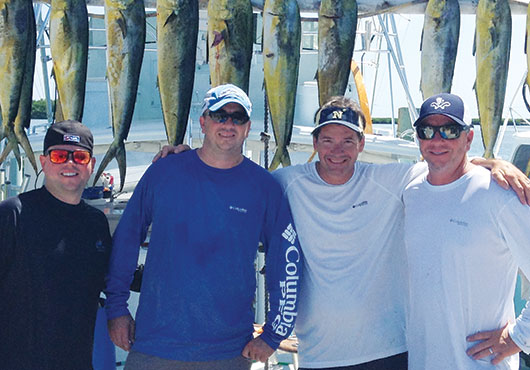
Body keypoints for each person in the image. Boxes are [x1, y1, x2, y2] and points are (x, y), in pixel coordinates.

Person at [105, 84, 302, 369]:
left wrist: (274, 335)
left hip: (230, 352)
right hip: (154, 345)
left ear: (248, 127)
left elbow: (286, 262)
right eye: (220, 115)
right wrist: (117, 308)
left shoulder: (265, 187)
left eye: (237, 117)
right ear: (203, 123)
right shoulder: (163, 171)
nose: (228, 124)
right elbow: (126, 240)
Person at [403, 92, 530, 369]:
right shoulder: (410, 191)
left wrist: (519, 338)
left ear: (469, 138)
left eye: (450, 130)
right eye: (427, 131)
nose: (437, 140)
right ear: (418, 138)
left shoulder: (501, 195)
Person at [0, 120, 112, 370]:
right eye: (60, 155)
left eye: (80, 157)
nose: (70, 163)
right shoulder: (12, 215)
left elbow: (113, 277)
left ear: (91, 165)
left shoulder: (96, 224)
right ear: (44, 162)